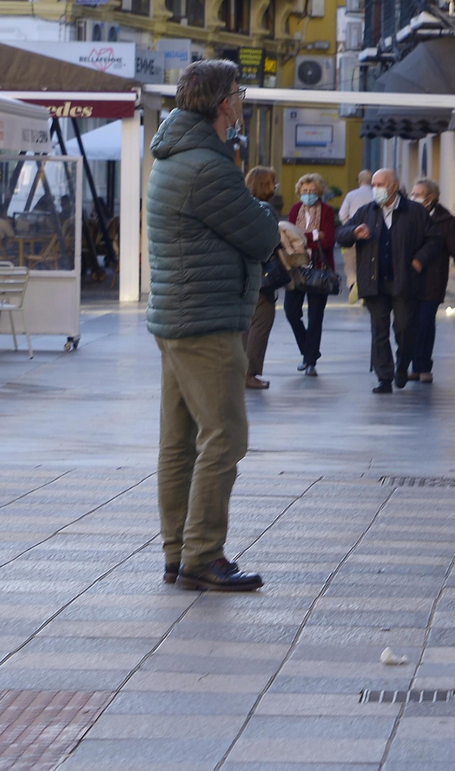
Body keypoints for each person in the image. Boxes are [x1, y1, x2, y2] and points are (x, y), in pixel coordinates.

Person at [147, 60, 276, 593]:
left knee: (179, 443)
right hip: (207, 319)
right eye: (239, 92)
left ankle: (178, 553)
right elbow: (260, 235)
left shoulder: (175, 155)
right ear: (224, 102)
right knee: (225, 436)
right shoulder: (208, 164)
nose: (243, 100)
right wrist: (267, 214)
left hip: (178, 316)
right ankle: (204, 554)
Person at [337, 168, 440, 393]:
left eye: (380, 185)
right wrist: (354, 231)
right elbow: (341, 235)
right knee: (379, 331)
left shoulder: (415, 212)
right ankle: (384, 377)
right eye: (373, 184)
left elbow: (434, 240)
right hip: (374, 282)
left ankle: (402, 365)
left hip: (404, 281)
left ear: (393, 187)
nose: (376, 189)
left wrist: (419, 260)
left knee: (404, 328)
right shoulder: (366, 212)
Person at [408, 178, 455, 385]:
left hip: (433, 279)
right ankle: (414, 365)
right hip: (409, 279)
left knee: (426, 323)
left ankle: (423, 367)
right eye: (412, 194)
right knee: (409, 323)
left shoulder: (446, 221)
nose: (414, 197)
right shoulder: (407, 215)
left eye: (418, 194)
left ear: (430, 198)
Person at [285, 173, 336, 376]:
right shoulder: (295, 209)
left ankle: (310, 362)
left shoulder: (327, 211)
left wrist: (302, 237)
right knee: (291, 311)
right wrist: (314, 234)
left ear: (319, 192)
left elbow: (329, 241)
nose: (308, 194)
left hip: (319, 269)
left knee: (315, 316)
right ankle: (309, 351)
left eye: (312, 191)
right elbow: (287, 238)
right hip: (295, 268)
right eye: (304, 191)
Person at [242, 166, 281, 390]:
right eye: (272, 182)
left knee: (246, 325)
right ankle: (250, 373)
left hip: (242, 274)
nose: (275, 186)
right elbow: (272, 241)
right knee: (262, 322)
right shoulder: (266, 209)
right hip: (261, 275)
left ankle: (242, 372)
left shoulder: (243, 206)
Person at [338, 169, 375, 303]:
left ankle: (354, 284)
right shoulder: (375, 195)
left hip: (353, 235)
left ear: (359, 181)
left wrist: (350, 227)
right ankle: (366, 291)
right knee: (369, 264)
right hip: (372, 236)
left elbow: (342, 214)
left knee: (351, 266)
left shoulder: (351, 195)